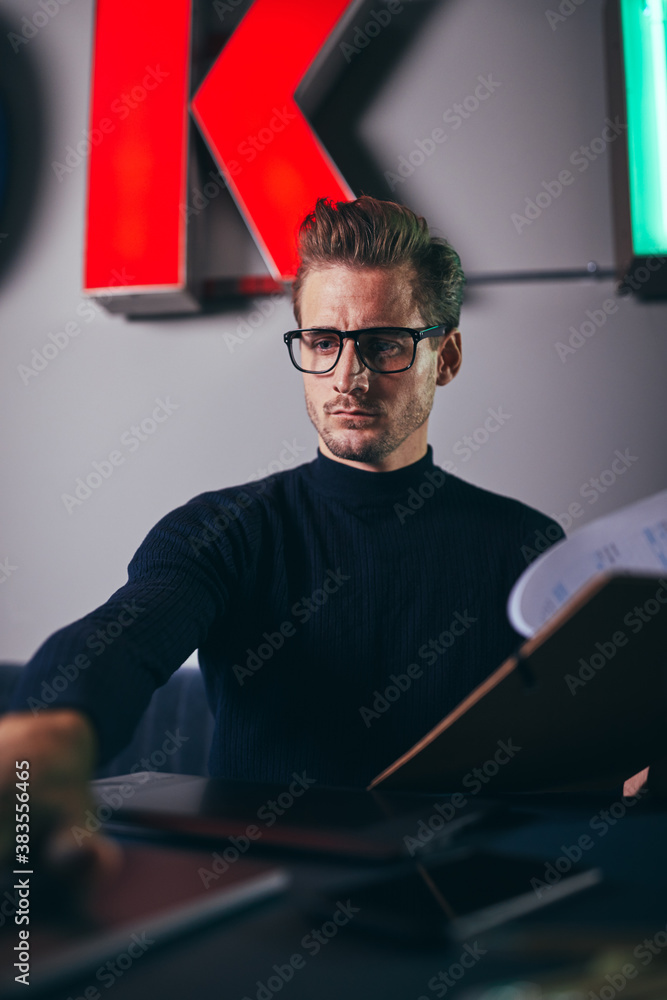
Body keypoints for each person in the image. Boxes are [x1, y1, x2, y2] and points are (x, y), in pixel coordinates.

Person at [0, 195, 567, 868]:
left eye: (383, 344)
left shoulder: (525, 545)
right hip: (260, 903)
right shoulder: (222, 532)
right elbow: (126, 634)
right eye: (323, 342)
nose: (347, 378)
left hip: (463, 901)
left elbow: (580, 733)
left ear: (443, 358)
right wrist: (55, 730)